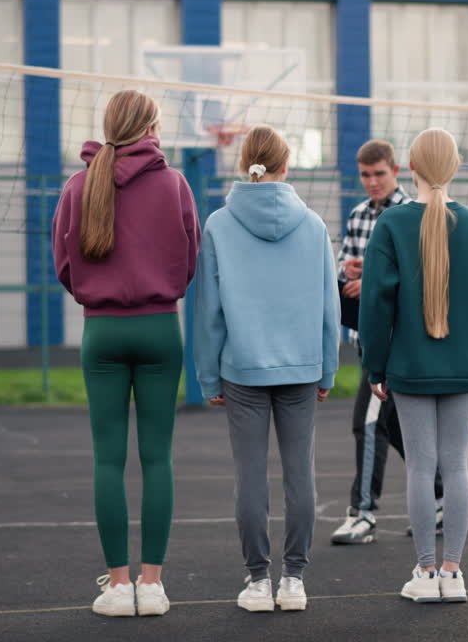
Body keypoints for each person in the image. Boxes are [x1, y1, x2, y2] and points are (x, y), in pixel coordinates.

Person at [52, 89, 200, 617]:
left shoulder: (78, 184)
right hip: (161, 327)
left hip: (103, 331)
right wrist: (159, 290)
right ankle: (153, 586)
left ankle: (118, 587)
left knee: (108, 459)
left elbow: (64, 264)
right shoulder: (175, 183)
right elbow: (190, 254)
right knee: (157, 457)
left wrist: (100, 294)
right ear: (151, 127)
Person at [193, 124, 339, 612]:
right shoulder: (314, 226)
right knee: (301, 474)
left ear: (243, 164)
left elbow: (208, 310)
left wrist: (208, 376)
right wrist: (328, 370)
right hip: (301, 369)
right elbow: (328, 306)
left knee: (250, 477)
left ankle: (258, 580)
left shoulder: (218, 224)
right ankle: (294, 579)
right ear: (286, 164)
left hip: (242, 371)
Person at [359, 128, 468, 604]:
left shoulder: (392, 225)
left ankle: (424, 573)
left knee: (421, 467)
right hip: (464, 366)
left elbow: (375, 306)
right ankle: (454, 573)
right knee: (456, 466)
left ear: (411, 169)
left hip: (411, 367)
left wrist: (374, 366)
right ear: (455, 167)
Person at [331, 140, 444, 546]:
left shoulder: (410, 214)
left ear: (396, 170)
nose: (372, 181)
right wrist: (349, 273)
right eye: (365, 174)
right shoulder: (359, 215)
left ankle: (362, 513)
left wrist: (374, 279)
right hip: (367, 334)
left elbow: (418, 280)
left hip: (398, 340)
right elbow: (347, 271)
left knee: (367, 423)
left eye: (379, 173)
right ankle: (440, 493)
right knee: (394, 426)